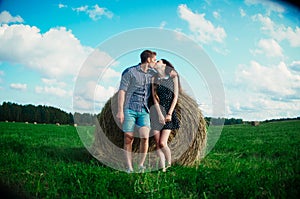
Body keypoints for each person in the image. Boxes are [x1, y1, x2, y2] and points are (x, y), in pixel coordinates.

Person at [116, 50, 157, 173]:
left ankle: (140, 165)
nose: (155, 63)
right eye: (154, 60)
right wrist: (120, 111)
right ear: (148, 59)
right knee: (128, 138)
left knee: (145, 137)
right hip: (130, 109)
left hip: (144, 110)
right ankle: (129, 167)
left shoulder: (153, 74)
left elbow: (167, 76)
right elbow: (122, 91)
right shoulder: (130, 72)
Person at [151, 59, 181, 172]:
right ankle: (162, 168)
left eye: (158, 61)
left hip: (169, 112)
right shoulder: (154, 78)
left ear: (164, 64)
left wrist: (169, 113)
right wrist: (159, 114)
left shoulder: (173, 77)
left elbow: (175, 97)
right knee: (157, 144)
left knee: (163, 143)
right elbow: (154, 98)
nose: (156, 62)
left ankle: (169, 164)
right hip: (156, 112)